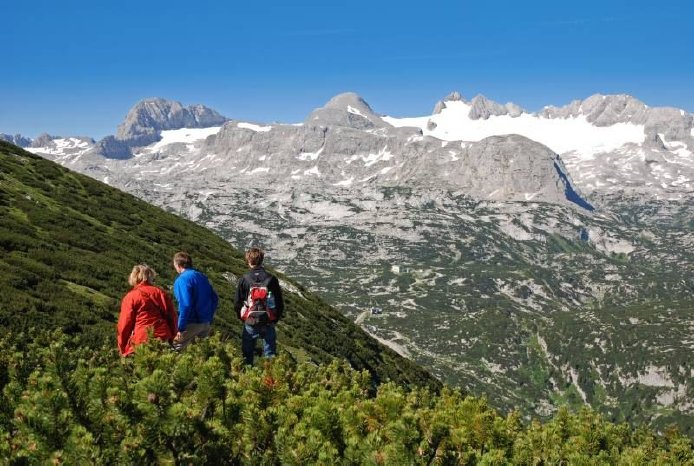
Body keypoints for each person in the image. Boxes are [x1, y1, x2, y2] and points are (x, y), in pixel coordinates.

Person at [235, 247, 284, 365]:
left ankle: (248, 378)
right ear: (262, 260)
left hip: (250, 322)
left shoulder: (244, 279)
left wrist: (243, 318)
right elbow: (279, 302)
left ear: (248, 261)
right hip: (268, 321)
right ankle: (270, 380)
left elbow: (237, 302)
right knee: (270, 355)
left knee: (247, 355)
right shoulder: (271, 279)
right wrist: (275, 319)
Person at [117, 264, 178, 357]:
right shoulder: (161, 293)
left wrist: (122, 347)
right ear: (150, 277)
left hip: (141, 340)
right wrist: (172, 336)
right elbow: (172, 317)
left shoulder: (131, 297)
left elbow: (125, 324)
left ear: (133, 277)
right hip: (163, 337)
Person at [172, 251, 219, 350]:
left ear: (178, 265)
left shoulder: (182, 280)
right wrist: (209, 318)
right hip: (205, 323)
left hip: (191, 323)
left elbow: (185, 305)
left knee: (175, 349)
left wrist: (180, 328)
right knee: (199, 354)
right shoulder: (202, 277)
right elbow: (214, 297)